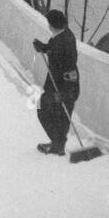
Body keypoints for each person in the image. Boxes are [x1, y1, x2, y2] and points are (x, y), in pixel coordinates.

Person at [33, 9, 80, 156]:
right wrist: (45, 48)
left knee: (45, 110)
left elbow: (66, 63)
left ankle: (58, 145)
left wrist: (65, 92)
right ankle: (58, 143)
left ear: (51, 25)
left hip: (62, 86)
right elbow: (56, 50)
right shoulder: (64, 34)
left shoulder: (62, 41)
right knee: (58, 113)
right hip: (61, 84)